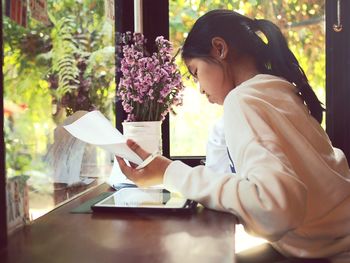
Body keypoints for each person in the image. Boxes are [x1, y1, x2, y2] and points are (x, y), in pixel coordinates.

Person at [116, 9, 350, 263]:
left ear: (219, 49)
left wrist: (169, 172)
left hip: (331, 251)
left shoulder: (242, 100)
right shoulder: (281, 91)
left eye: (196, 73)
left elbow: (274, 207)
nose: (201, 89)